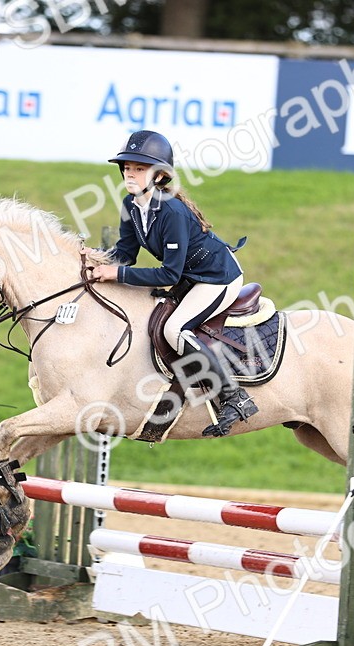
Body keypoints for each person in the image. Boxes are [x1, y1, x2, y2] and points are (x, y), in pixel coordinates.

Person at [88, 129, 258, 438]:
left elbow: (169, 275)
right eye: (127, 167)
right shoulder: (130, 204)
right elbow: (125, 253)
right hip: (190, 277)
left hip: (217, 278)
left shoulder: (171, 211)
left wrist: (116, 275)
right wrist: (95, 259)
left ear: (157, 174)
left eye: (139, 168)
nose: (129, 173)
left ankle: (234, 397)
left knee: (174, 329)